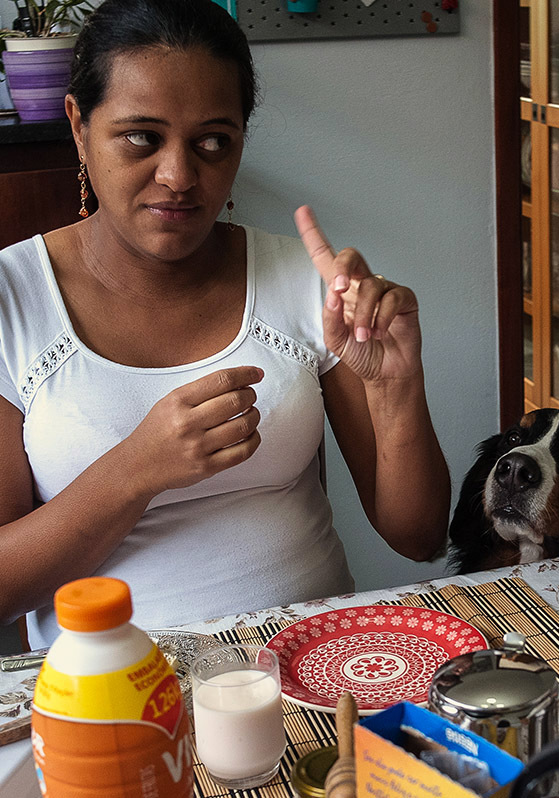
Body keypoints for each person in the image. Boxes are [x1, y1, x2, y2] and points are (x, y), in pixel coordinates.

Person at [0, 0, 451, 648]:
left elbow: (419, 536)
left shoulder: (303, 282)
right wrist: (136, 469)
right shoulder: (14, 298)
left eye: (213, 142)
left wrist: (396, 385)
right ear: (79, 125)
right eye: (141, 137)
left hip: (313, 668)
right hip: (114, 691)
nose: (179, 176)